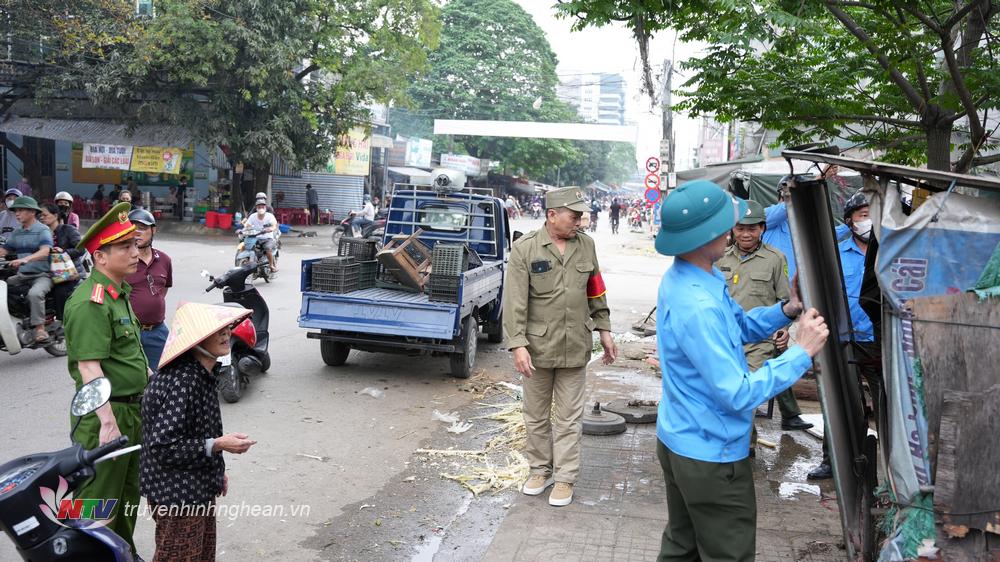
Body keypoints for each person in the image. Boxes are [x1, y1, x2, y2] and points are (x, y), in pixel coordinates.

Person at [652, 180, 829, 560]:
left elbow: (738, 328)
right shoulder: (698, 303)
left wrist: (787, 309)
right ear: (707, 235)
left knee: (682, 547)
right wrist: (800, 352)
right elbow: (737, 393)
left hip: (680, 439)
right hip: (710, 454)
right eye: (726, 225)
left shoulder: (693, 277)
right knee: (728, 554)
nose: (733, 231)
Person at [503, 186, 618, 507]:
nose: (579, 221)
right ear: (552, 215)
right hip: (536, 349)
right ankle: (540, 470)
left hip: (575, 346)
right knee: (536, 416)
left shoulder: (586, 246)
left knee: (568, 418)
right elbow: (514, 303)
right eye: (574, 215)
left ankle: (565, 477)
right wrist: (517, 345)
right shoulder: (526, 249)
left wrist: (605, 329)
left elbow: (595, 289)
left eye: (581, 216)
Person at [141, 302, 258, 562]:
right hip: (177, 494)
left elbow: (197, 432)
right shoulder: (183, 380)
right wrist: (218, 445)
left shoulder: (202, 373)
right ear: (197, 339)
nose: (226, 333)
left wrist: (216, 472)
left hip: (196, 486)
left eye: (227, 328)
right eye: (217, 330)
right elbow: (163, 446)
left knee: (201, 556)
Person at [63, 202, 147, 555]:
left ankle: (121, 552)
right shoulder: (90, 303)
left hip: (130, 411)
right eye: (125, 247)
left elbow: (127, 356)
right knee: (96, 503)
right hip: (105, 415)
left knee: (126, 496)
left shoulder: (118, 294)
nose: (135, 251)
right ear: (100, 257)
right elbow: (88, 367)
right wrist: (108, 424)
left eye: (135, 244)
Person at [715, 199, 814, 442]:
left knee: (745, 390)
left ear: (762, 229)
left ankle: (742, 446)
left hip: (760, 341)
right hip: (726, 339)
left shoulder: (775, 259)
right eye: (740, 228)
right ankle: (745, 438)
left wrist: (784, 330)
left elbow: (785, 300)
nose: (746, 234)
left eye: (752, 228)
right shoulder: (720, 259)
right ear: (732, 230)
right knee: (726, 394)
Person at [807, 190, 881, 481]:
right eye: (863, 215)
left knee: (886, 403)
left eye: (873, 214)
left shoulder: (890, 252)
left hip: (878, 342)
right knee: (842, 404)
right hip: (845, 340)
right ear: (850, 221)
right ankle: (833, 460)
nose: (869, 221)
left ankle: (891, 463)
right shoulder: (837, 254)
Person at [0, 196, 54, 342]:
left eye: (21, 210)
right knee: (4, 288)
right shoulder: (17, 232)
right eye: (16, 211)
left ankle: (40, 328)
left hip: (42, 274)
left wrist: (25, 259)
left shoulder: (43, 230)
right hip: (22, 275)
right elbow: (4, 250)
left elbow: (45, 251)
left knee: (35, 294)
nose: (17, 214)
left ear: (32, 212)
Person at [125, 209, 173, 371]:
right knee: (132, 377)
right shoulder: (121, 260)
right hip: (128, 332)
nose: (137, 233)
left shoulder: (165, 260)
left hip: (158, 330)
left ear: (153, 231)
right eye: (132, 228)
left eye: (142, 228)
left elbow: (163, 291)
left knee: (165, 374)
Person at [242, 198, 279, 272]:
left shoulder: (269, 216)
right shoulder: (253, 216)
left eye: (262, 207)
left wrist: (271, 229)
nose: (261, 208)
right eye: (259, 207)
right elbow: (247, 225)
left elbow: (274, 225)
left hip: (267, 238)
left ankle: (271, 265)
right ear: (256, 208)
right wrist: (243, 230)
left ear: (265, 208)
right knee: (246, 246)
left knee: (268, 249)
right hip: (255, 238)